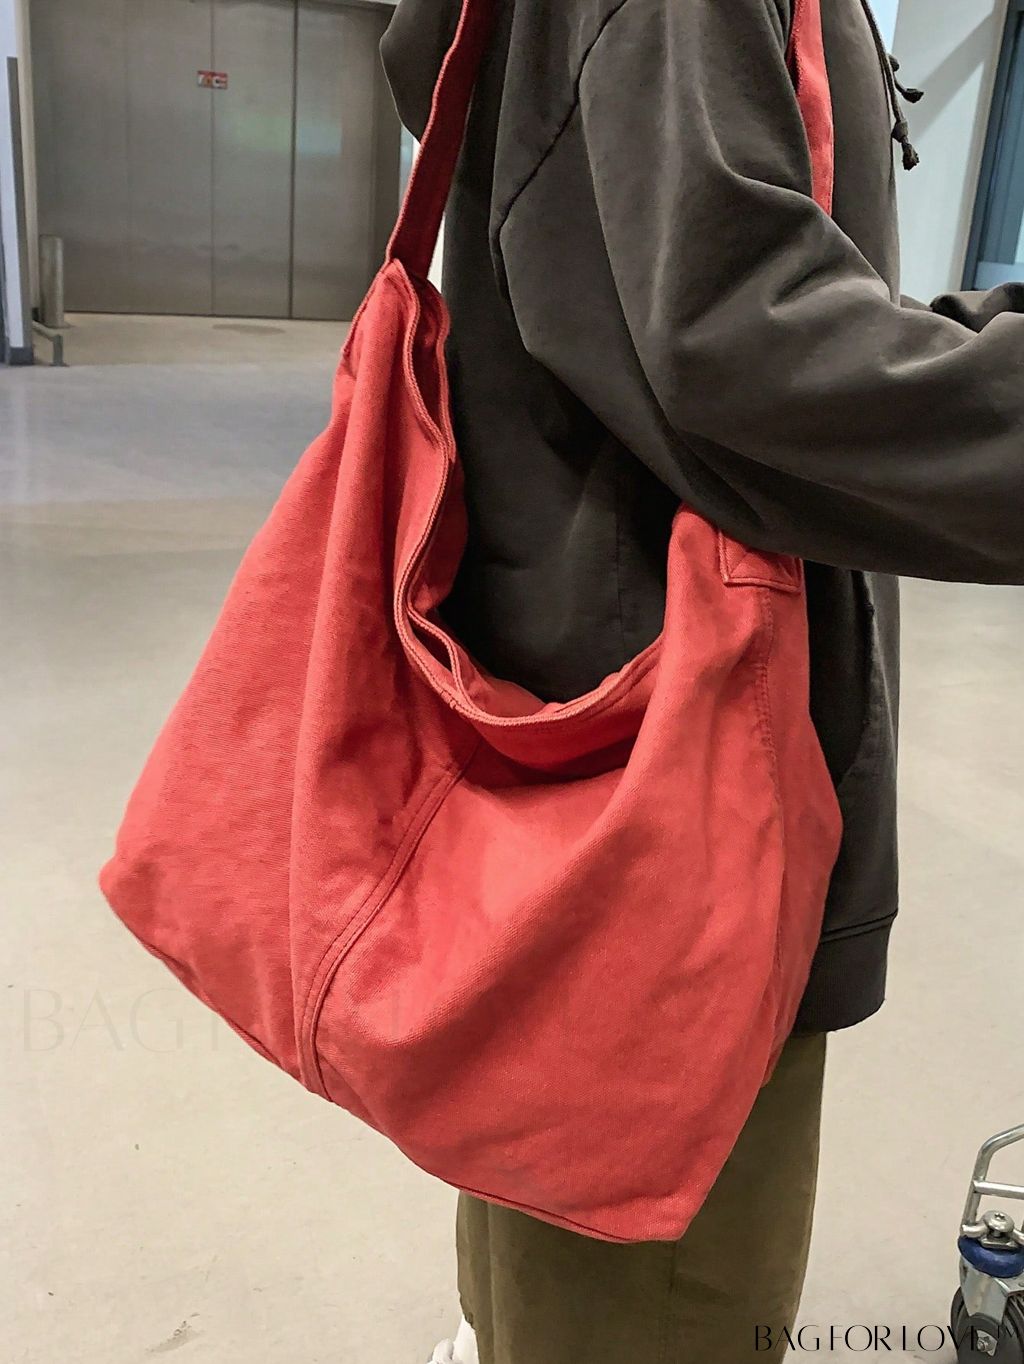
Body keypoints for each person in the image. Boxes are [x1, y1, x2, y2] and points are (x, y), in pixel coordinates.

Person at [379, 0, 1024, 1359]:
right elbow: (736, 347)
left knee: (560, 1268)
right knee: (657, 1296)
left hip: (602, 771)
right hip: (679, 814)